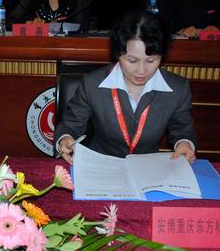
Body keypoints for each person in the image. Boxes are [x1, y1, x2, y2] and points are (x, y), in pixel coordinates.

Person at [54, 10, 197, 165]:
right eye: (132, 60)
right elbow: (70, 125)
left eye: (151, 60)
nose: (141, 70)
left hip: (148, 168)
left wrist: (185, 143)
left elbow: (183, 130)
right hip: (101, 166)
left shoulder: (178, 88)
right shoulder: (92, 84)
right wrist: (65, 138)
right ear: (118, 54)